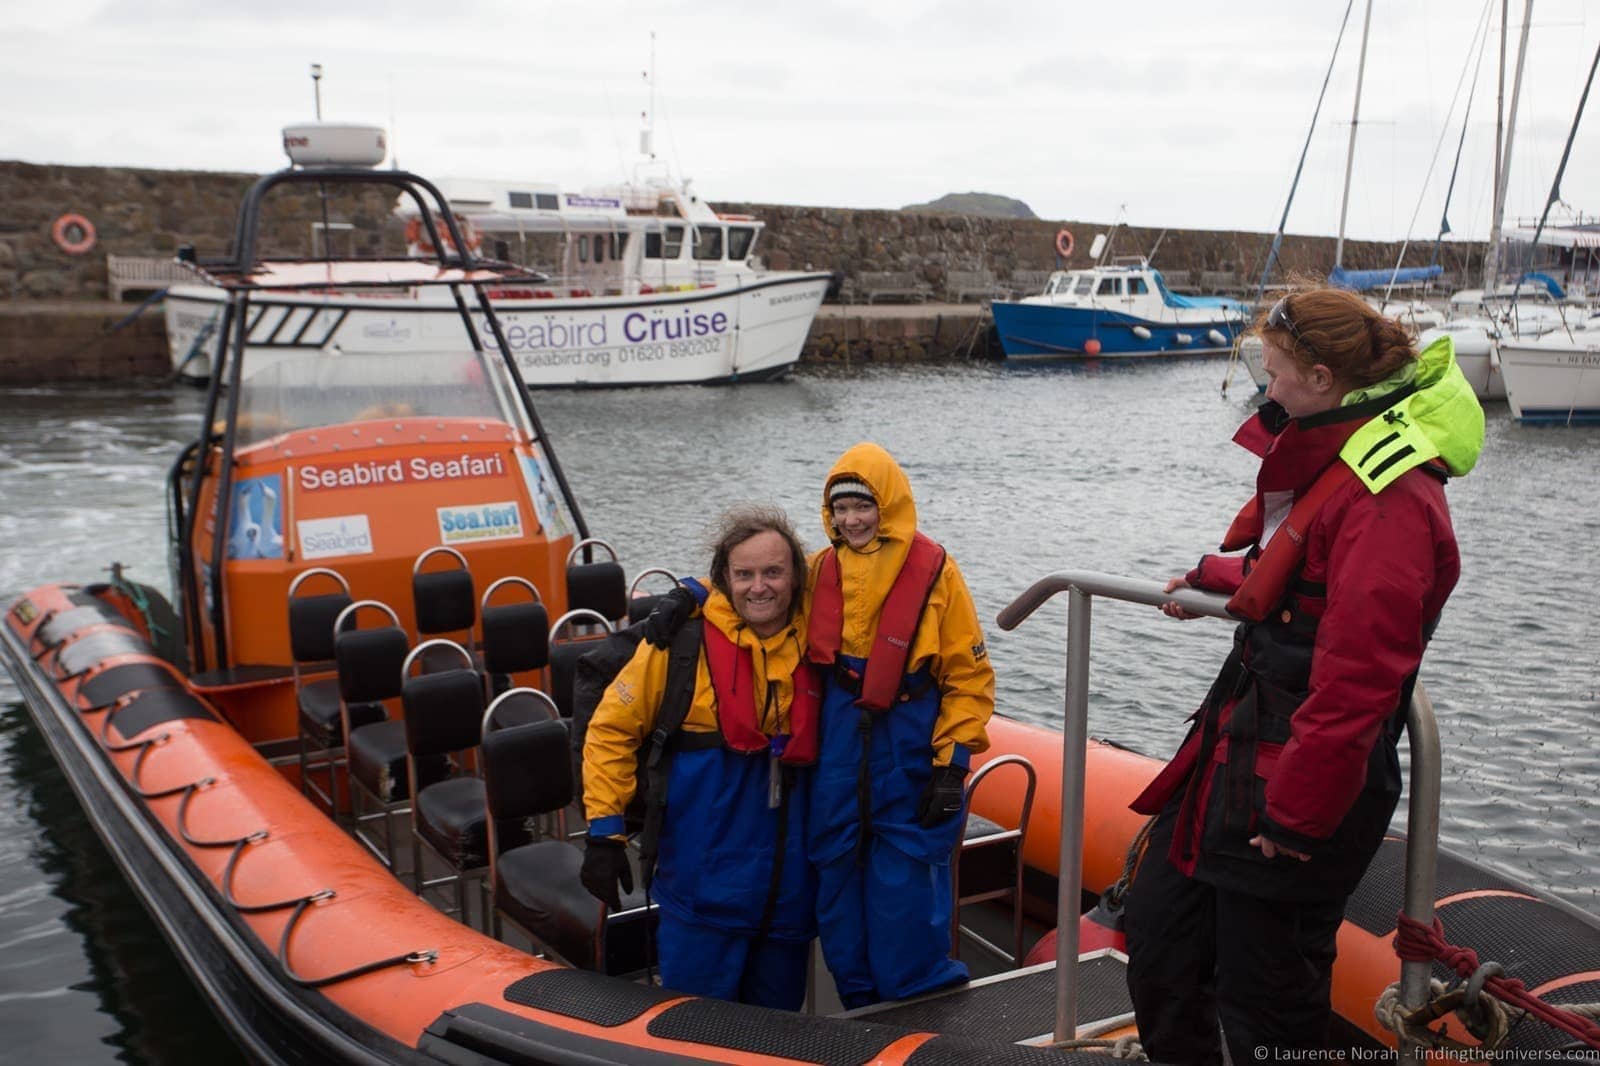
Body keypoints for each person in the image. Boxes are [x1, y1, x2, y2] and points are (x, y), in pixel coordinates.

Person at [1123, 288, 1484, 1066]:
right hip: (1242, 758)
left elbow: (1358, 680)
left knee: (1270, 1010)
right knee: (1161, 948)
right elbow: (1301, 560)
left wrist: (1295, 818)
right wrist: (1221, 578)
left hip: (1294, 785)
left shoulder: (1391, 496)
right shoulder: (1350, 464)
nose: (1269, 387)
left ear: (1322, 379)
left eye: (1278, 371)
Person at [579, 505, 820, 1009]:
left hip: (789, 897)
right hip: (701, 894)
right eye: (744, 574)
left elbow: (866, 572)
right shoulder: (678, 648)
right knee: (694, 1038)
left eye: (773, 572)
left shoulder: (819, 642)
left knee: (781, 1037)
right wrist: (605, 832)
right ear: (723, 579)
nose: (760, 587)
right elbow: (609, 733)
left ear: (796, 577)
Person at [805, 441, 995, 1009]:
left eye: (862, 506)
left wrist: (952, 765)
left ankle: (921, 1013)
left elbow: (968, 676)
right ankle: (862, 1010)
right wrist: (694, 594)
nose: (852, 520)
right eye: (840, 509)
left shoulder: (936, 570)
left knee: (906, 890)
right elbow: (751, 595)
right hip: (839, 743)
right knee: (835, 880)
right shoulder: (819, 568)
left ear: (886, 505)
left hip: (908, 741)